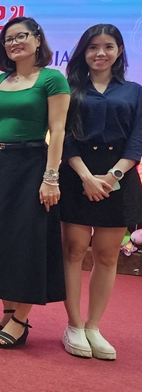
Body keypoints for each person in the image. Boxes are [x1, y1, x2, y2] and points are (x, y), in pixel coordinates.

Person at [0, 17, 70, 349]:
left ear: (37, 39)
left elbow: (58, 131)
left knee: (26, 242)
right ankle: (8, 313)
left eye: (21, 36)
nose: (14, 43)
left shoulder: (52, 79)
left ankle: (21, 321)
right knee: (1, 239)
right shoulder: (1, 81)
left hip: (33, 165)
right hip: (0, 165)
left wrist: (51, 177)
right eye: (8, 39)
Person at [58, 24, 142, 360]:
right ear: (84, 52)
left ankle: (94, 326)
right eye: (93, 47)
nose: (100, 53)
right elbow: (63, 136)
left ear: (119, 51)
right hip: (76, 177)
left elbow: (137, 140)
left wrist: (111, 176)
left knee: (107, 256)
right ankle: (74, 325)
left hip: (118, 180)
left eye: (108, 46)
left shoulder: (134, 91)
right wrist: (86, 177)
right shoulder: (69, 89)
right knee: (74, 251)